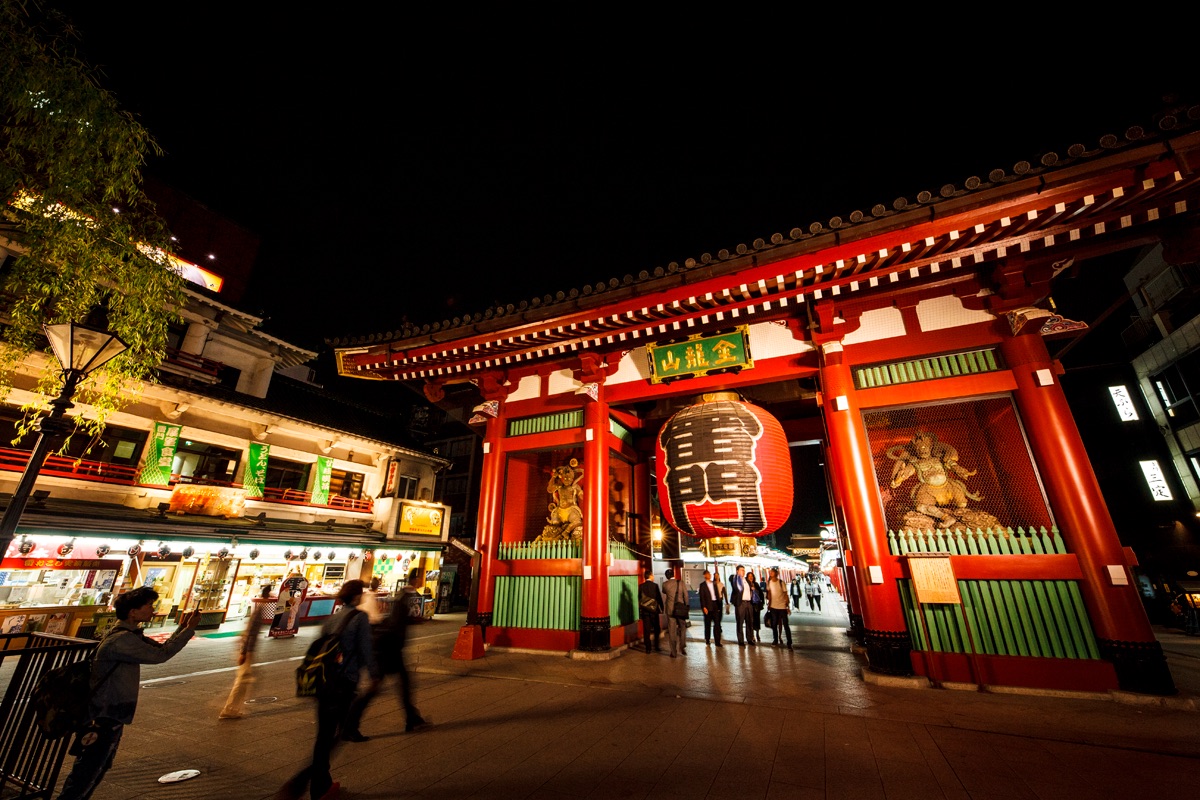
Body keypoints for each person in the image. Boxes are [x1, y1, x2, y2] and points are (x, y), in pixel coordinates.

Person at [57, 587, 200, 800]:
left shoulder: (127, 634)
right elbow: (161, 655)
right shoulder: (122, 640)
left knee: (96, 768)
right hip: (104, 715)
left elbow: (160, 649)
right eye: (149, 606)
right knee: (88, 771)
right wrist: (188, 630)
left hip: (110, 713)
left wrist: (183, 627)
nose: (153, 610)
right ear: (133, 612)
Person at [278, 580, 376, 800]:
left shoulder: (332, 618)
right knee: (339, 733)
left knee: (324, 734)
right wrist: (374, 674)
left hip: (323, 682)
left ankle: (320, 784)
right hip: (344, 682)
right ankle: (304, 782)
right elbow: (366, 649)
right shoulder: (360, 618)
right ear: (357, 596)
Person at [343, 569, 431, 739]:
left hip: (389, 648)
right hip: (389, 649)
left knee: (403, 684)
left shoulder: (400, 596)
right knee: (377, 688)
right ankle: (350, 725)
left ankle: (412, 719)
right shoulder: (404, 597)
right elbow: (394, 623)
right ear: (416, 579)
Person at [219, 586, 271, 719]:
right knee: (242, 680)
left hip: (248, 651)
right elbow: (250, 633)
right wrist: (244, 651)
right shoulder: (258, 611)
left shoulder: (259, 610)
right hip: (248, 651)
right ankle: (229, 709)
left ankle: (232, 708)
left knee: (244, 680)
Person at [661, 567, 688, 658]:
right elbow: (686, 596)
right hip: (680, 608)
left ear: (666, 576)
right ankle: (682, 645)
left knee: (672, 630)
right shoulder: (681, 583)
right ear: (674, 574)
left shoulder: (665, 584)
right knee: (683, 627)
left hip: (670, 609)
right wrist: (686, 606)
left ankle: (673, 652)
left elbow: (664, 592)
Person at [727, 565, 755, 647]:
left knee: (749, 622)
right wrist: (736, 576)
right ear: (737, 571)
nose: (743, 571)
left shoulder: (746, 580)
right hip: (740, 603)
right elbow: (731, 578)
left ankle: (749, 639)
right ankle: (741, 640)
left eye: (744, 570)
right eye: (741, 570)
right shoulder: (735, 579)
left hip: (748, 603)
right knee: (740, 622)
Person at [765, 567, 792, 648]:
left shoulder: (781, 582)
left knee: (786, 625)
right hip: (773, 607)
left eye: (772, 572)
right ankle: (775, 640)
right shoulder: (769, 582)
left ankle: (789, 642)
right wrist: (769, 604)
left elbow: (785, 594)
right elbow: (769, 594)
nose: (770, 573)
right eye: (770, 572)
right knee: (774, 624)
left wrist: (787, 606)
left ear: (776, 574)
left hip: (782, 607)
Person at [637, 571, 663, 653]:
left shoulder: (641, 586)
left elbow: (639, 599)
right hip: (654, 611)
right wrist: (662, 608)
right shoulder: (655, 586)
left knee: (646, 630)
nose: (653, 577)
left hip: (645, 611)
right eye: (653, 575)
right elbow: (659, 598)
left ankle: (648, 648)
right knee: (656, 629)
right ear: (650, 576)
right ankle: (656, 646)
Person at [698, 569, 724, 646]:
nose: (709, 575)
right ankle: (707, 639)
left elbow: (717, 594)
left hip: (715, 604)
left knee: (717, 624)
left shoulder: (714, 583)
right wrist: (704, 607)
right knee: (707, 624)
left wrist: (719, 605)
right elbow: (702, 597)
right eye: (707, 574)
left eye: (709, 574)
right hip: (707, 606)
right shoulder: (702, 585)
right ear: (704, 576)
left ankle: (717, 641)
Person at [747, 571, 764, 643]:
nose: (751, 577)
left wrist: (762, 602)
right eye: (749, 576)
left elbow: (761, 594)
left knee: (757, 620)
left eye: (752, 576)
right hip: (750, 604)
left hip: (756, 604)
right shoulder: (746, 585)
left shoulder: (756, 584)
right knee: (751, 620)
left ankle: (757, 633)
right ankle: (752, 635)